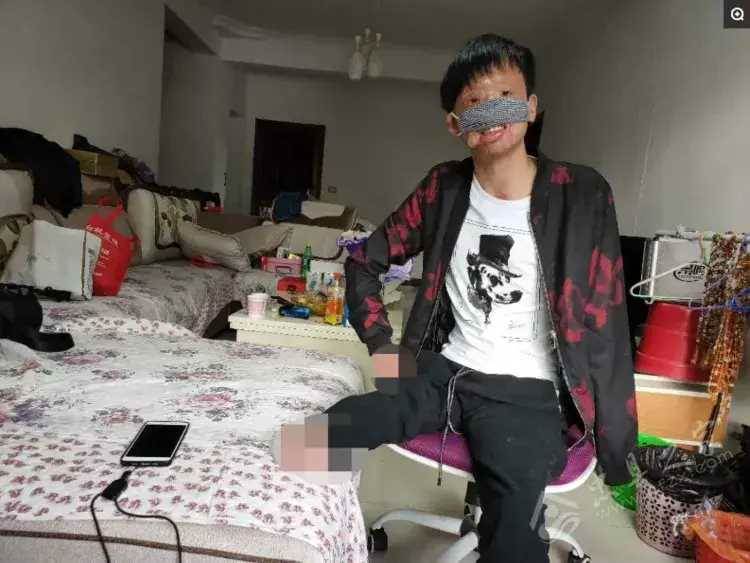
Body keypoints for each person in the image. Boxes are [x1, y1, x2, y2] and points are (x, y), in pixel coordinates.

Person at [273, 34, 638, 563]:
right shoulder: (442, 188)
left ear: (531, 107)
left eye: (505, 96)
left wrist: (616, 441)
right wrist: (385, 350)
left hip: (527, 393)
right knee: (306, 443)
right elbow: (364, 261)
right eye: (474, 102)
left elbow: (607, 318)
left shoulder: (581, 194)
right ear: (455, 123)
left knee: (514, 539)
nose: (491, 112)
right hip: (441, 372)